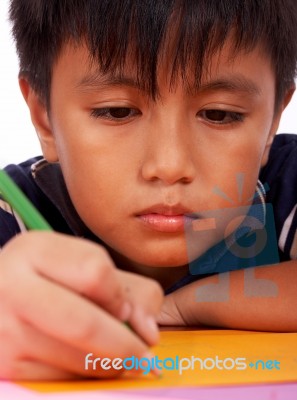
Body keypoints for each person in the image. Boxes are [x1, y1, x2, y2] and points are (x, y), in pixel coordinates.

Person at [0, 0, 297, 380]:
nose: (170, 166)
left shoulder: (284, 184)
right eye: (117, 111)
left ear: (272, 120)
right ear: (44, 117)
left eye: (220, 114)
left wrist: (184, 307)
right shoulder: (16, 210)